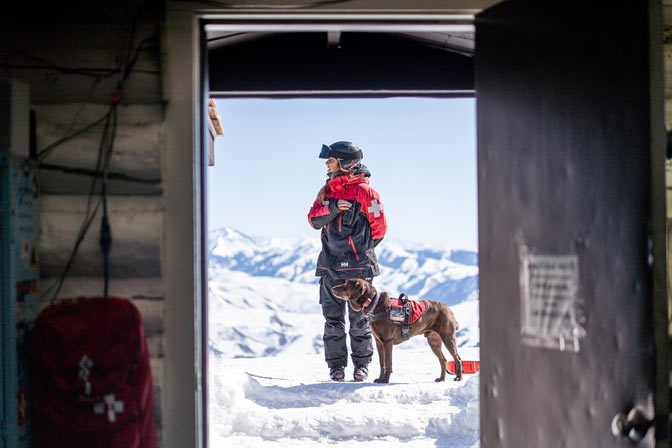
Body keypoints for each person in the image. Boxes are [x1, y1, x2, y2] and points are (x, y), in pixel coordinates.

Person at [307, 141, 387, 382]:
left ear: (344, 163)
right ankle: (336, 367)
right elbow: (312, 219)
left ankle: (361, 367)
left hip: (359, 269)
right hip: (329, 265)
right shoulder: (326, 192)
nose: (326, 164)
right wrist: (332, 208)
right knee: (332, 321)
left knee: (360, 320)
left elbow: (379, 228)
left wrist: (360, 251)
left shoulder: (366, 192)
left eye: (330, 160)